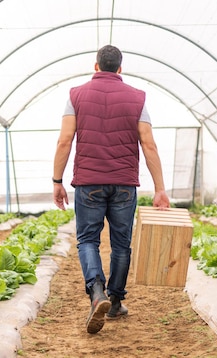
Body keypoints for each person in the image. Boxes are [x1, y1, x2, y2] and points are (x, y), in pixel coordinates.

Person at [52, 45, 170, 334]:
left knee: (88, 241)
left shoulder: (75, 95)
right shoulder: (138, 98)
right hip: (124, 184)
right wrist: (160, 189)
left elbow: (65, 140)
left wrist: (57, 181)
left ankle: (97, 293)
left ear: (95, 67)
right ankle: (115, 301)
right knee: (121, 244)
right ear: (120, 69)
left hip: (89, 182)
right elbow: (149, 144)